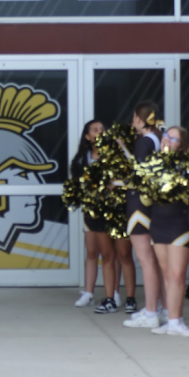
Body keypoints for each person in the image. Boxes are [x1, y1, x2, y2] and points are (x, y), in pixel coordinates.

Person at [148, 126, 189, 338]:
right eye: (166, 136)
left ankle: (177, 321)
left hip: (180, 224)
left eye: (174, 138)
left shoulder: (187, 165)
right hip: (158, 223)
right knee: (167, 274)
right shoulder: (154, 164)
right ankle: (171, 319)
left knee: (177, 275)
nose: (168, 140)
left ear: (182, 145)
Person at [120, 102, 166, 327]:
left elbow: (139, 176)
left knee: (147, 260)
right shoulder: (158, 139)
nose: (132, 121)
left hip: (140, 205)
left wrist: (119, 182)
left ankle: (150, 312)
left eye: (134, 117)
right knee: (156, 262)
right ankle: (162, 309)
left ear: (140, 118)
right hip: (153, 205)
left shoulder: (145, 141)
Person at [71, 121, 118, 308]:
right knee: (91, 251)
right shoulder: (82, 159)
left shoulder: (114, 157)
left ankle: (112, 294)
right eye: (95, 130)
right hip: (90, 211)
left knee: (109, 253)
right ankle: (89, 292)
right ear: (87, 136)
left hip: (110, 211)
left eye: (102, 130)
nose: (99, 133)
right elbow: (76, 184)